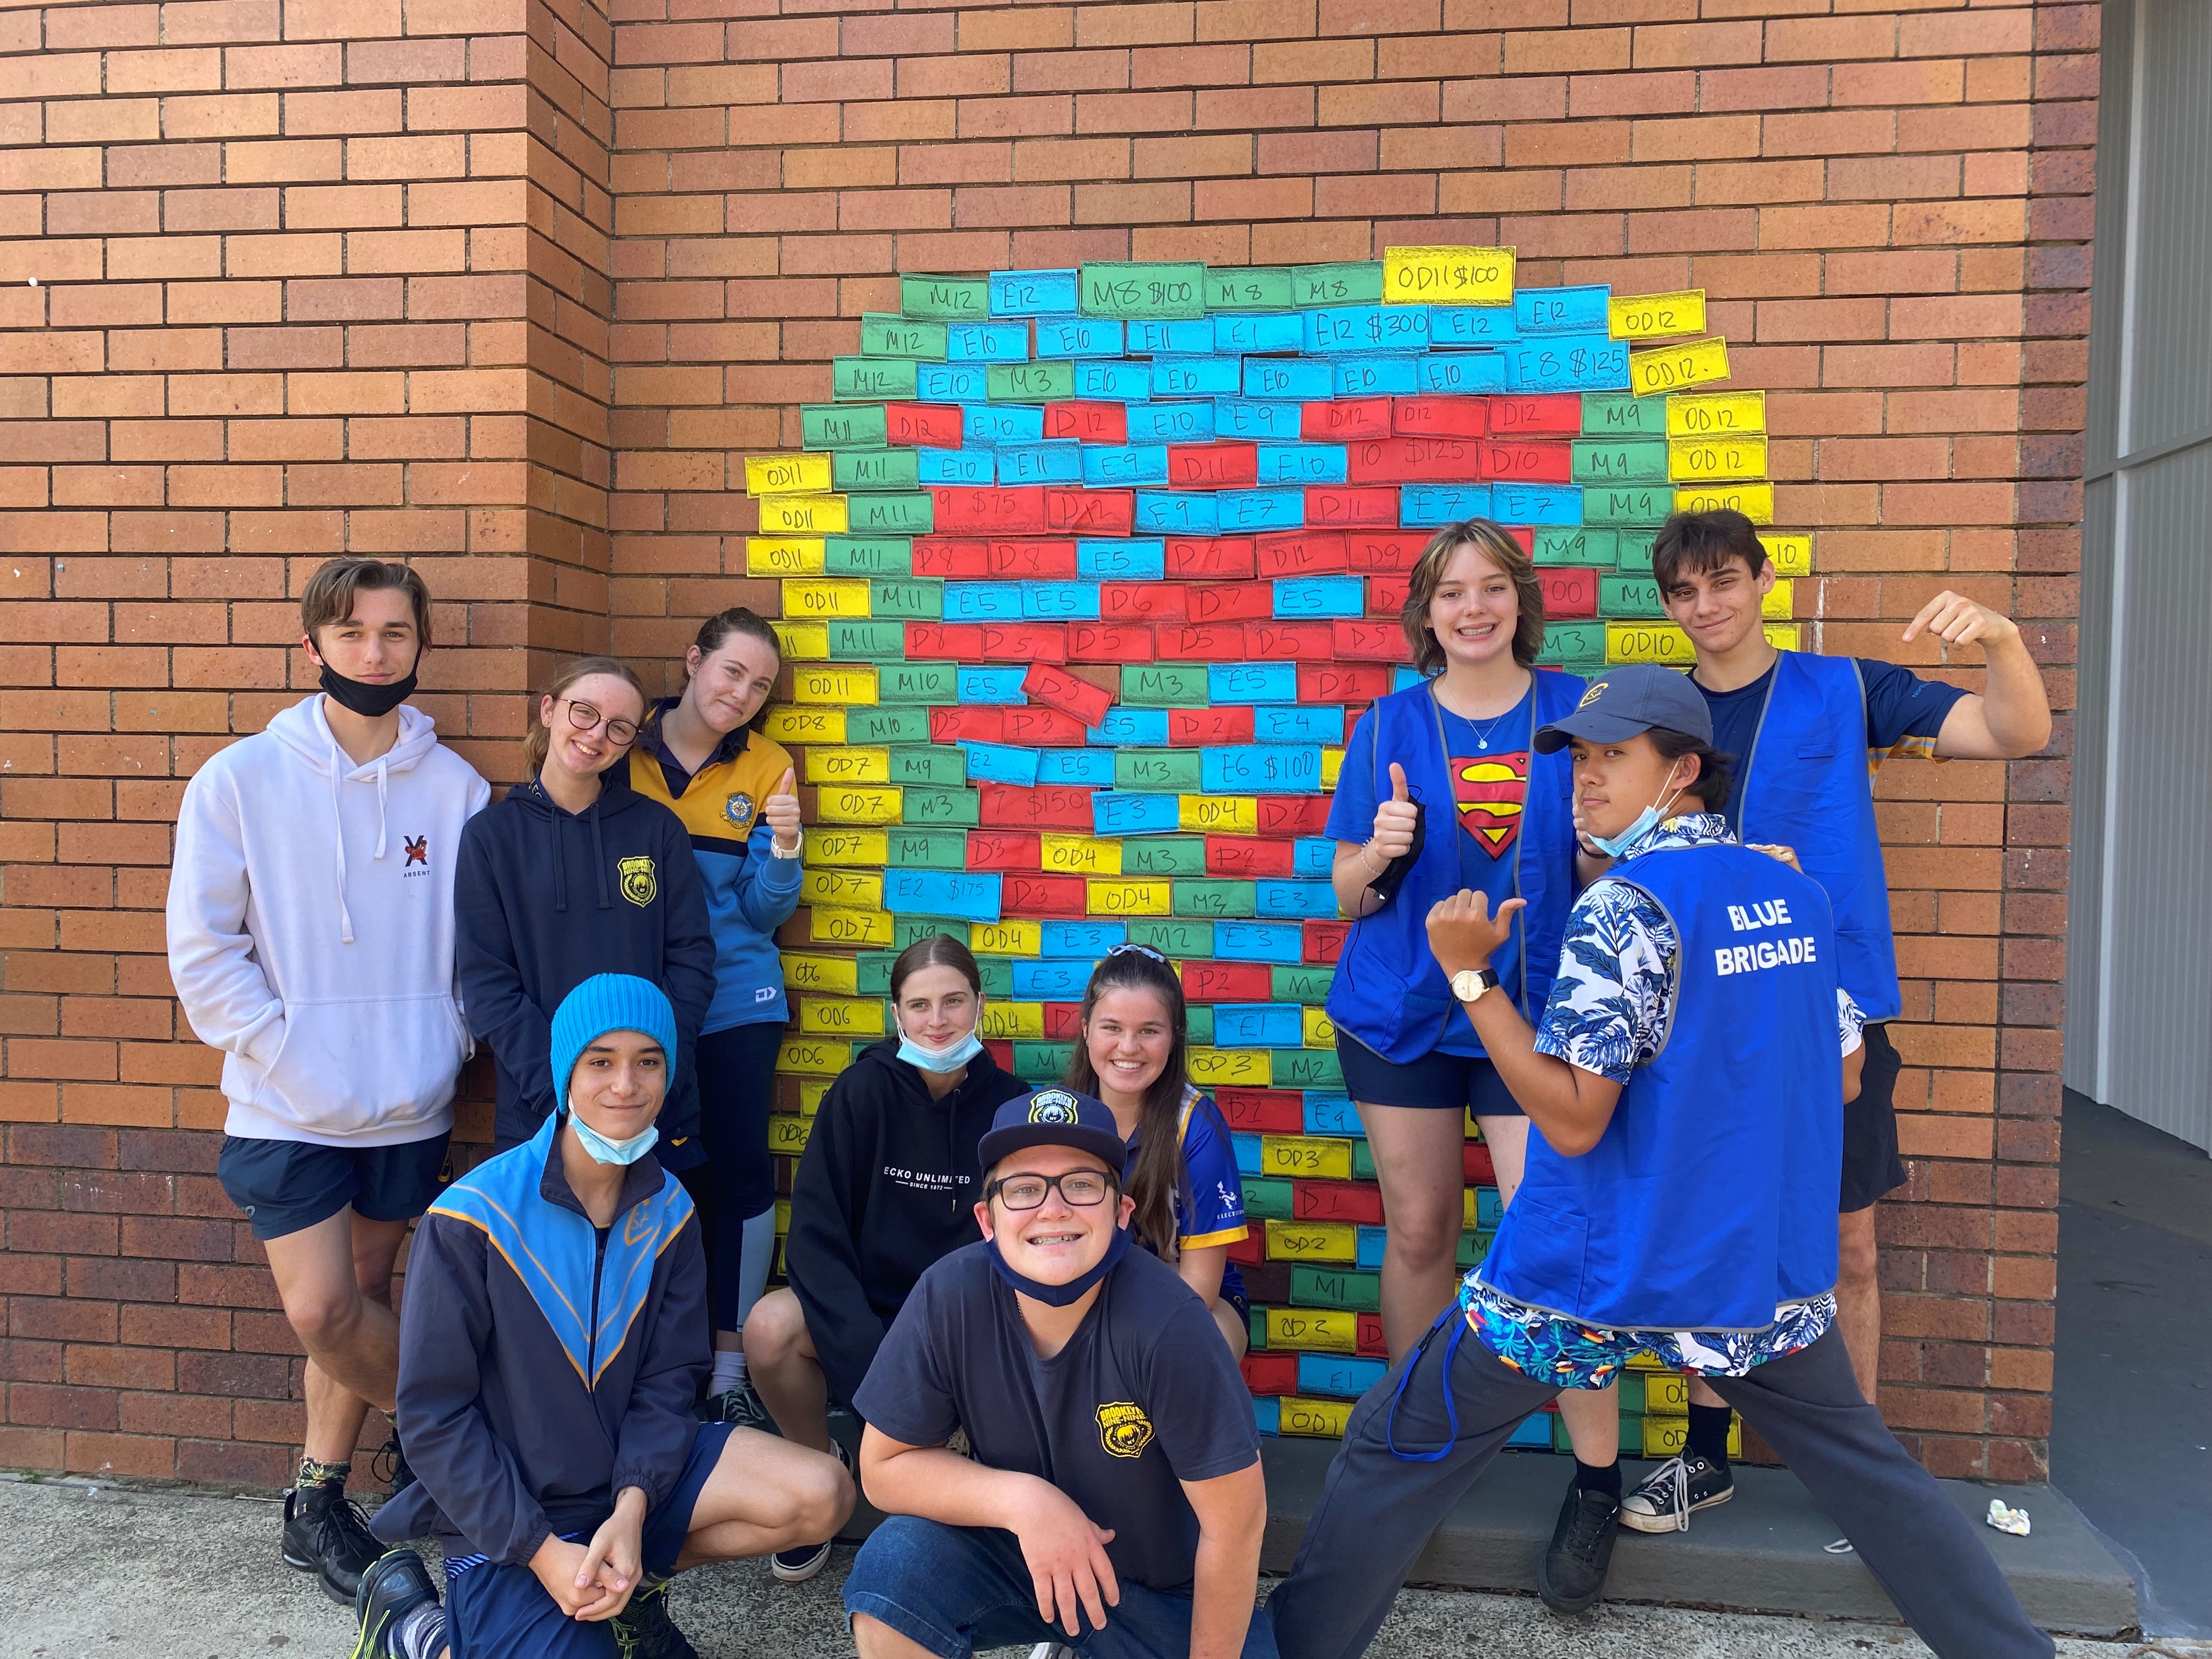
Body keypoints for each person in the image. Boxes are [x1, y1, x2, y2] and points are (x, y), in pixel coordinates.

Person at [1265, 668, 2053, 1658]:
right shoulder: (1791, 888)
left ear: (1682, 770)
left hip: (1586, 1271)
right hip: (1744, 1272)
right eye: (1580, 759)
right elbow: (1844, 1071)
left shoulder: (1625, 906)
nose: (1585, 781)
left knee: (1393, 1447)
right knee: (1874, 1478)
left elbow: (1572, 1117)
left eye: (1612, 758)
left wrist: (1469, 974)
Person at [1642, 509, 2053, 1531]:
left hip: (1832, 1012)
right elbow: (1609, 852)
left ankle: (1858, 1479)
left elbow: (2017, 733)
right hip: (1702, 1016)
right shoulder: (1657, 716)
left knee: (1849, 1247)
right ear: (1666, 605)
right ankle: (1706, 1453)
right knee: (1714, 1238)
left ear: (1764, 579)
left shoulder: (1843, 687)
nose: (1708, 606)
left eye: (1724, 580)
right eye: (1686, 591)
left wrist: (2001, 640)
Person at [348, 974, 854, 1659]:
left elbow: (669, 1382)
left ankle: (630, 1590)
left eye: (648, 1060)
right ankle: (419, 1630)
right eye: (601, 1062)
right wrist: (542, 1551)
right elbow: (435, 1421)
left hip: (626, 1488)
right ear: (566, 1075)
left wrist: (632, 1508)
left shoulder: (671, 1211)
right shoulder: (471, 1219)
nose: (626, 1084)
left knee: (821, 1493)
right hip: (514, 1520)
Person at [166, 557, 489, 1603]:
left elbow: (480, 947)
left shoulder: (455, 789)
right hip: (285, 1100)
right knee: (320, 1311)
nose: (374, 651)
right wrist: (283, 1049)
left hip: (407, 1097)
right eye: (351, 633)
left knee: (367, 1294)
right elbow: (204, 947)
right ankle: (477, 1440)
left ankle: (318, 1495)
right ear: (313, 645)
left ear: (419, 646)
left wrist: (449, 1037)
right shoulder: (240, 778)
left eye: (395, 633)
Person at [1322, 519, 1619, 1510]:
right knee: (1418, 1233)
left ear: (1521, 601)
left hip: (1532, 1019)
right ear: (1427, 613)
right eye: (1452, 592)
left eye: (1492, 587)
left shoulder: (1578, 711)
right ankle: (1421, 1446)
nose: (1475, 607)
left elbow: (1606, 876)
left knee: (1557, 1233)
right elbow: (1348, 896)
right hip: (1403, 1013)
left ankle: (1592, 1478)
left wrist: (1591, 848)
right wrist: (1382, 847)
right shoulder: (1389, 726)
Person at [842, 1088, 1275, 1659]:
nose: (1053, 1208)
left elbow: (1238, 1525)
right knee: (893, 1571)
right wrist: (1027, 1503)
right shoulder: (949, 1296)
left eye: (1082, 1184)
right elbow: (884, 1469)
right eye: (1023, 1189)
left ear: (1123, 1213)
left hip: (1165, 1596)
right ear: (986, 1219)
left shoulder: (1170, 1323)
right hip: (1028, 1563)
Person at [742, 934, 1029, 1583]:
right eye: (920, 1005)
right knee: (769, 1327)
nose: (937, 1021)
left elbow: (1025, 1244)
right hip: (869, 1314)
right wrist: (874, 1373)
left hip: (962, 1319)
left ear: (980, 1005)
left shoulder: (1012, 1105)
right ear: (896, 1014)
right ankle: (819, 1476)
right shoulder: (859, 1094)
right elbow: (815, 1241)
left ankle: (966, 1480)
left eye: (953, 1002)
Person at [627, 608, 806, 1425]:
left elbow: (765, 914)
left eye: (761, 685)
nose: (743, 693)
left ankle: (728, 1371)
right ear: (694, 659)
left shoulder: (768, 766)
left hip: (736, 999)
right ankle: (651, 1360)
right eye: (732, 671)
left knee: (736, 1174)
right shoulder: (624, 742)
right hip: (637, 1007)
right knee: (642, 1176)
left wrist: (785, 851)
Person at [456, 656, 716, 1171]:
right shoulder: (491, 838)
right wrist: (562, 1090)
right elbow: (488, 985)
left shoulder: (656, 830)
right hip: (539, 1109)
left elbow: (691, 960)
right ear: (549, 710)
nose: (596, 735)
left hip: (647, 1106)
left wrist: (654, 1075)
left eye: (618, 727)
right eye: (584, 713)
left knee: (651, 1250)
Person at [1066, 943, 1252, 1357]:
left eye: (1149, 1031)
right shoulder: (1058, 1113)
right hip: (1082, 1293)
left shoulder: (1197, 1125)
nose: (1128, 1048)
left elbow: (1199, 1291)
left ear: (1174, 1038)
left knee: (1195, 1346)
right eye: (1111, 1028)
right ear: (1085, 1030)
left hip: (1184, 1298)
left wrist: (1116, 1341)